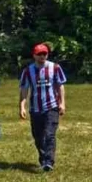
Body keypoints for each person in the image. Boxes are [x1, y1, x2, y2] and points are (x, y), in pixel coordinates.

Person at [18, 43, 67, 171]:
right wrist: (22, 106)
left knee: (49, 134)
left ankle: (48, 162)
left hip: (52, 106)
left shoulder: (55, 68)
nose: (42, 56)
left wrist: (62, 103)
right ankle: (43, 158)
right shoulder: (28, 71)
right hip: (35, 109)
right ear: (34, 55)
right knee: (38, 136)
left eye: (44, 54)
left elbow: (60, 85)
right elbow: (24, 89)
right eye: (39, 54)